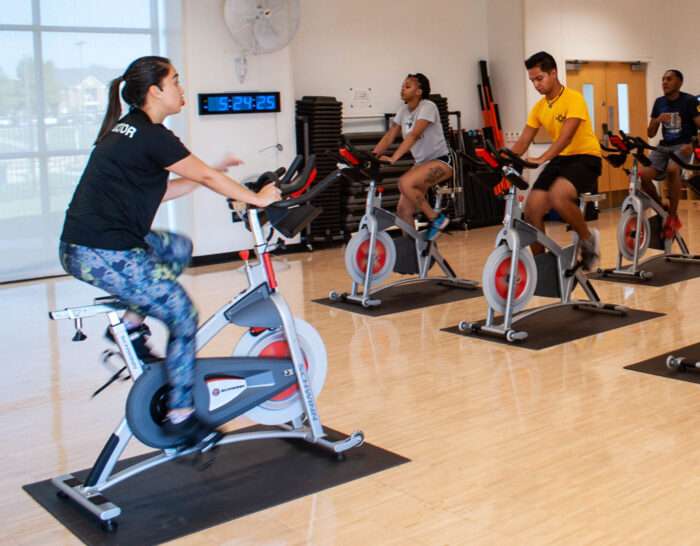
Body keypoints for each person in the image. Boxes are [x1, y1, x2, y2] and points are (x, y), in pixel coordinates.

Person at [59, 56, 281, 447]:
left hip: (94, 244)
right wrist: (257, 199)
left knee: (177, 248)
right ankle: (181, 416)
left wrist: (214, 173)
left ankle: (130, 325)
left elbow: (168, 187)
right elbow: (205, 176)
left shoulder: (129, 130)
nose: (181, 89)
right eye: (175, 82)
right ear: (155, 91)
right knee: (182, 314)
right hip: (100, 251)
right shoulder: (152, 134)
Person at [510, 51, 602, 270]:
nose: (535, 85)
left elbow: (566, 137)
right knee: (531, 211)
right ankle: (540, 265)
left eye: (539, 79)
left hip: (586, 157)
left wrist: (542, 158)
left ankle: (588, 240)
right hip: (561, 160)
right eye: (532, 80)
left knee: (558, 196)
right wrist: (506, 158)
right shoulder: (540, 108)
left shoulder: (574, 98)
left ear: (553, 73)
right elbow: (523, 140)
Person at [372, 73, 452, 241]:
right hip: (422, 163)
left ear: (419, 91)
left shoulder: (428, 107)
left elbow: (414, 135)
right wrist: (372, 157)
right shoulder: (403, 110)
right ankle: (413, 249)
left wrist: (393, 158)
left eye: (408, 86)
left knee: (404, 182)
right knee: (403, 211)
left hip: (441, 161)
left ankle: (436, 219)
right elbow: (389, 135)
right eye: (403, 85)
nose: (403, 89)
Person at [638, 69, 700, 238]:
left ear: (679, 83)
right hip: (663, 147)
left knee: (673, 169)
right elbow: (650, 134)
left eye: (669, 79)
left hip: (683, 146)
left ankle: (672, 219)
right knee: (641, 176)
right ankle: (662, 209)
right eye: (663, 79)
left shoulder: (690, 101)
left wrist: (692, 145)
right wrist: (657, 120)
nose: (664, 82)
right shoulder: (659, 103)